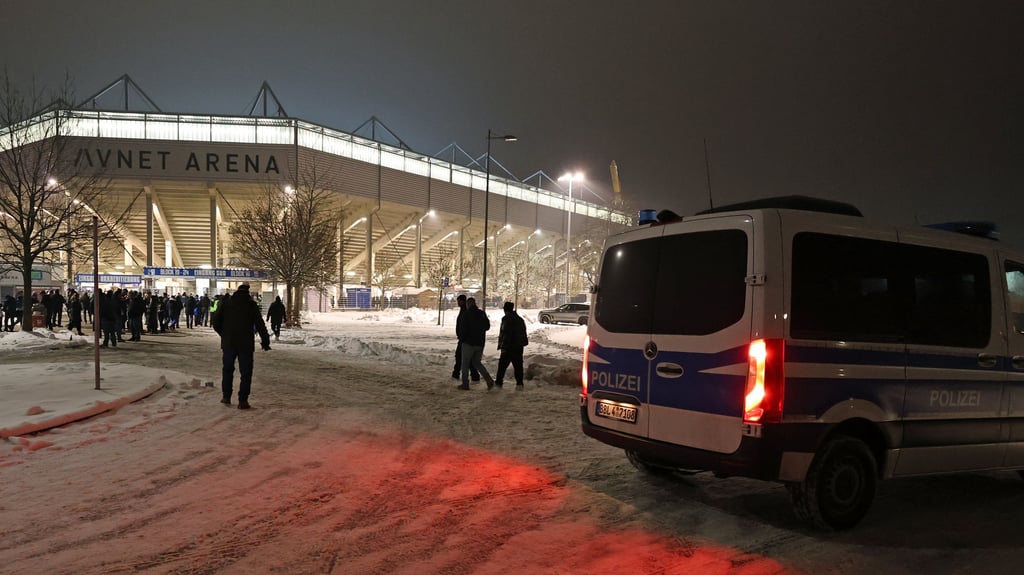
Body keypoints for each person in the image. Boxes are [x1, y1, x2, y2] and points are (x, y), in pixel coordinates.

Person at [212, 284, 271, 409]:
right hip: (246, 344)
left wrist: (224, 335)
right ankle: (243, 400)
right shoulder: (251, 305)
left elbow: (216, 322)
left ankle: (226, 396)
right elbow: (260, 324)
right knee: (246, 373)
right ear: (247, 292)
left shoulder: (226, 303)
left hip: (229, 343)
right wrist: (265, 341)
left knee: (227, 370)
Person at [456, 297, 494, 390]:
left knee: (465, 364)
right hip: (480, 343)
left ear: (468, 304)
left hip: (468, 343)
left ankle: (465, 384)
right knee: (477, 362)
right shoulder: (482, 313)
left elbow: (462, 329)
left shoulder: (466, 314)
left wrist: (462, 339)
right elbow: (487, 326)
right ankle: (488, 379)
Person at [494, 301, 528, 389]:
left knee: (502, 366)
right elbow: (523, 332)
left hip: (509, 347)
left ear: (505, 309)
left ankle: (498, 383)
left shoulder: (506, 319)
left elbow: (506, 333)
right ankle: (519, 383)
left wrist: (503, 347)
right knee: (518, 366)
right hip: (518, 346)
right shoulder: (520, 319)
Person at [451, 294, 480, 381]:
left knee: (460, 356)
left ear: (462, 301)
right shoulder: (464, 310)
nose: (457, 303)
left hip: (464, 338)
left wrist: (462, 336)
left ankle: (458, 374)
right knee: (465, 357)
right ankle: (474, 375)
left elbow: (464, 325)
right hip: (465, 338)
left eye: (458, 301)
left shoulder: (465, 311)